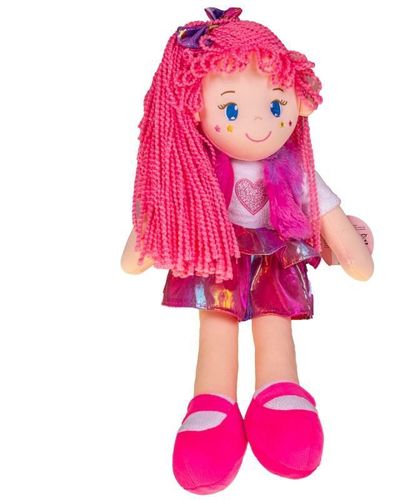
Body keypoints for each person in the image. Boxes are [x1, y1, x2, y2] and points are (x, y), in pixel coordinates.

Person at [121, 7, 373, 494]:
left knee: (273, 325)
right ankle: (213, 404)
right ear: (195, 109)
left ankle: (280, 396)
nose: (259, 123)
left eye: (276, 105)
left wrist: (353, 252)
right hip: (216, 254)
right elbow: (166, 211)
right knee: (216, 330)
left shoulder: (296, 167)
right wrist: (145, 243)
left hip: (274, 256)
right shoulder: (193, 174)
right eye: (232, 111)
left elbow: (327, 214)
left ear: (299, 101)